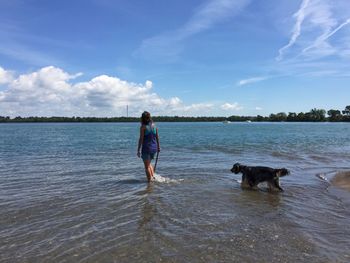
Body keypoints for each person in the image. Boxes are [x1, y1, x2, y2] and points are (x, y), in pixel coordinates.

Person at [137, 111, 160, 182]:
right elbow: (157, 137)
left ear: (143, 118)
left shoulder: (143, 127)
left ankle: (149, 182)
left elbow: (141, 139)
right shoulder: (154, 125)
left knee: (146, 166)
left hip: (147, 148)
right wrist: (158, 147)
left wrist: (138, 150)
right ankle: (153, 177)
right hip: (154, 148)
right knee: (149, 164)